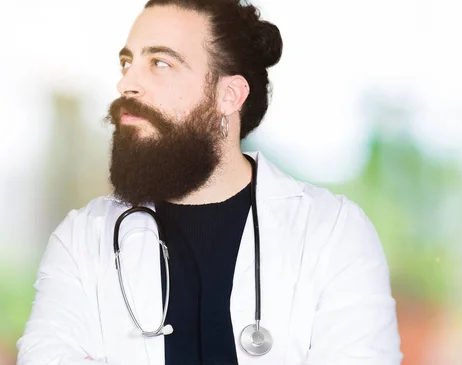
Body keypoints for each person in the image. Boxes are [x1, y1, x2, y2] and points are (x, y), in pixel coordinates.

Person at [16, 0, 402, 364]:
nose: (126, 84)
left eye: (160, 63)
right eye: (127, 63)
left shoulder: (334, 233)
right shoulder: (82, 240)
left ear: (229, 95)